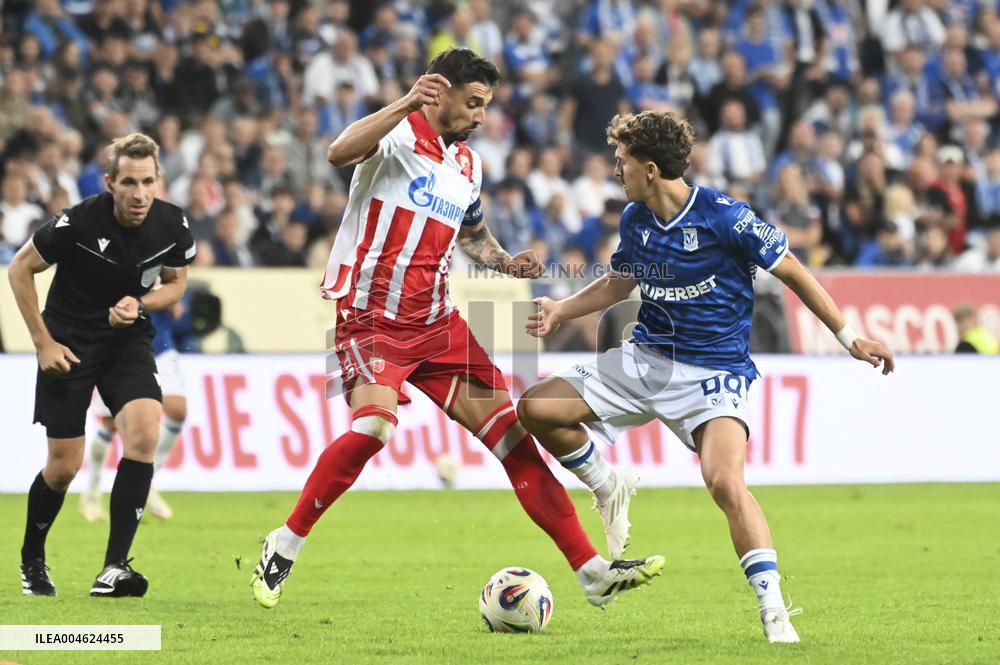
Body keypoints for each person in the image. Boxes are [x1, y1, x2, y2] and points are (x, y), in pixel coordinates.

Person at [251, 48, 664, 610]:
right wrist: (404, 101)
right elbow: (336, 152)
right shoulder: (394, 136)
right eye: (472, 103)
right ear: (438, 92)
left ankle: (592, 572)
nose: (480, 116)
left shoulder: (466, 166)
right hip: (371, 320)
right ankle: (286, 543)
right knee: (374, 429)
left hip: (439, 325)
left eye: (485, 106)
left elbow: (471, 236)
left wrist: (504, 261)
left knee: (514, 438)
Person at [517, 111, 895, 643]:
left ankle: (774, 611)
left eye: (621, 163)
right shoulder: (635, 218)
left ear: (650, 169)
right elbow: (618, 283)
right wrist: (563, 309)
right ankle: (610, 483)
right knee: (535, 408)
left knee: (724, 481)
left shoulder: (725, 217)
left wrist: (849, 336)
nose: (614, 171)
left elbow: (793, 271)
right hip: (644, 359)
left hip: (712, 374)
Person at [8, 133, 196, 598]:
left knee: (145, 432)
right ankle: (32, 559)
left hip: (126, 341)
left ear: (159, 181)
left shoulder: (173, 224)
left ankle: (114, 568)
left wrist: (141, 302)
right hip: (68, 343)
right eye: (129, 182)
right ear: (110, 182)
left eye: (148, 181)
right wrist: (42, 343)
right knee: (63, 467)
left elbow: (176, 284)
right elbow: (19, 268)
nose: (139, 193)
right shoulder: (76, 222)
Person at [79, 303, 188, 522]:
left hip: (159, 344)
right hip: (119, 343)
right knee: (111, 423)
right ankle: (92, 491)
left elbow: (174, 278)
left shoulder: (161, 269)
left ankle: (148, 481)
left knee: (177, 410)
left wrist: (172, 297)